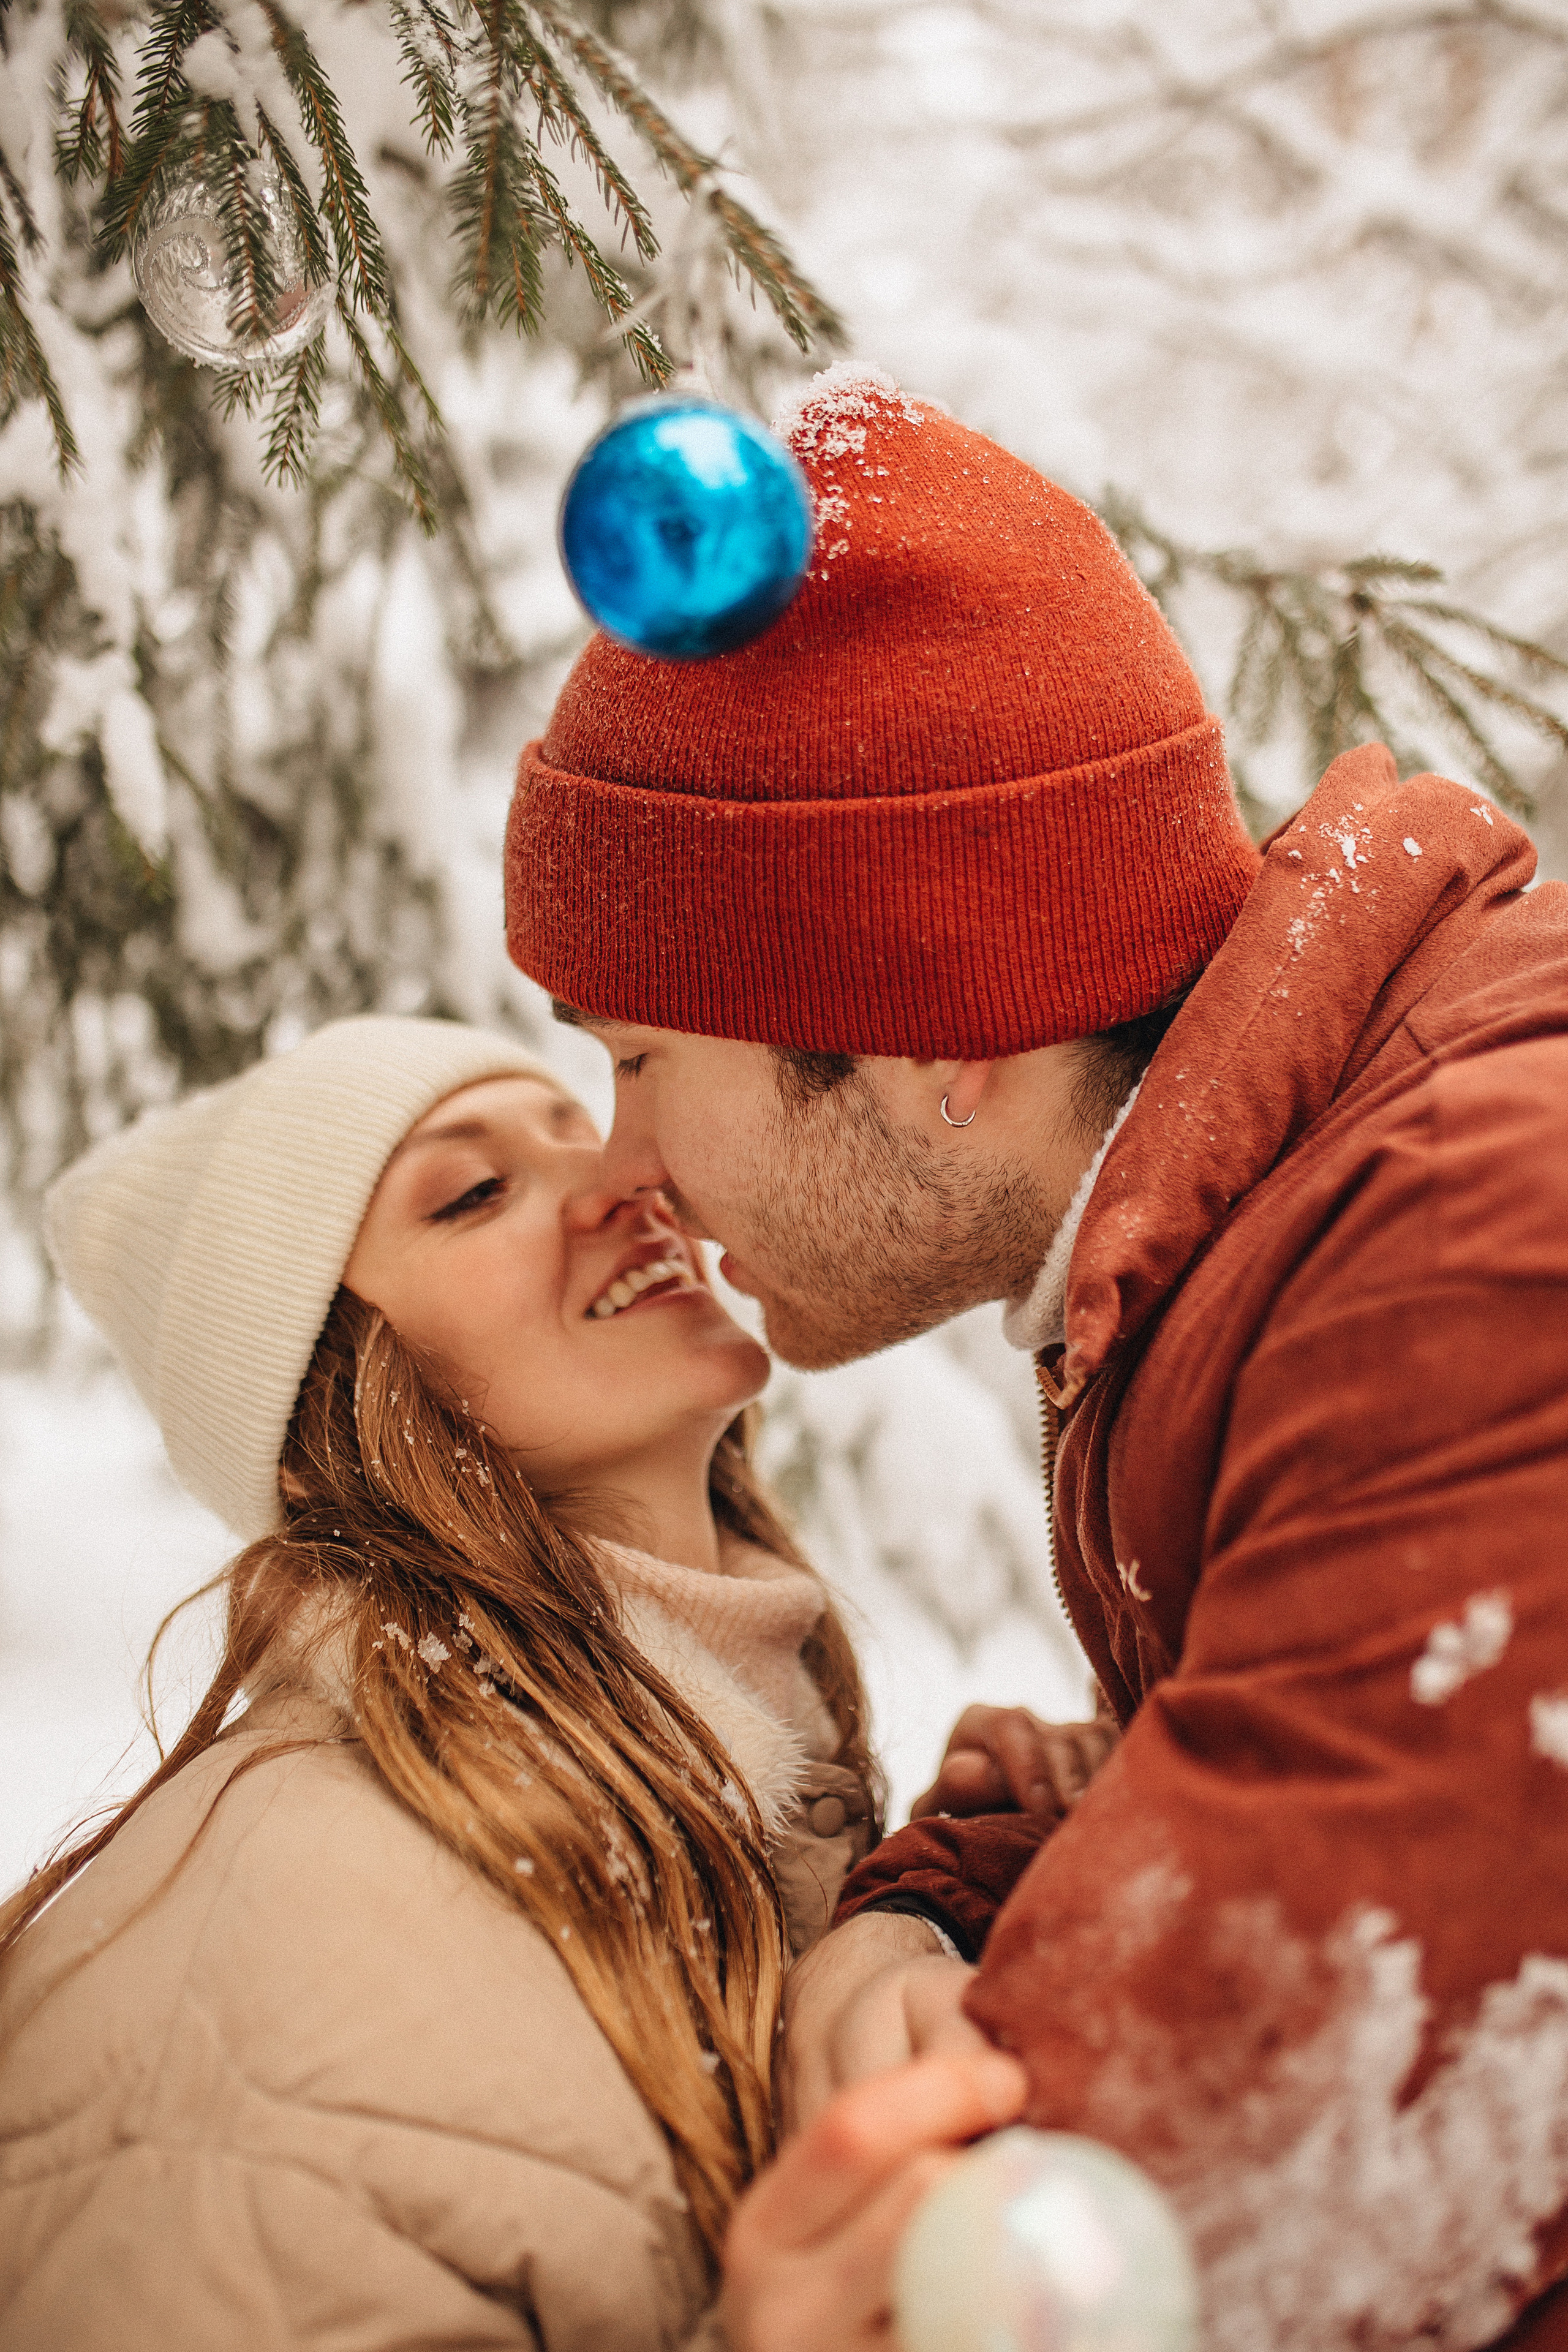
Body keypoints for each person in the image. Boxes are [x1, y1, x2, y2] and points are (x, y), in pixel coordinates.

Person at [503, 364, 1568, 2350]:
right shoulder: (1252, 1247)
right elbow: (1255, 1761)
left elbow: (1240, 2181)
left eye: (642, 1056)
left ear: (927, 1035)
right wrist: (942, 1903)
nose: (621, 1170)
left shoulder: (1470, 1261)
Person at [0, 1014, 888, 2351]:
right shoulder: (283, 1931)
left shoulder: (734, 1779)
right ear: (341, 1404)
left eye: (583, 1134)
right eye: (473, 1193)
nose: (621, 1181)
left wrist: (968, 1875)